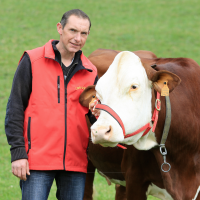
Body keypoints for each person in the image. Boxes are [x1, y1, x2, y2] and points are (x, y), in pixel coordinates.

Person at [5, 9, 99, 200]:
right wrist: (18, 154)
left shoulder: (90, 71)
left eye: (83, 33)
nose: (77, 38)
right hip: (37, 161)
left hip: (75, 162)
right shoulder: (32, 60)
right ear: (60, 28)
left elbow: (93, 115)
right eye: (73, 30)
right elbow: (15, 108)